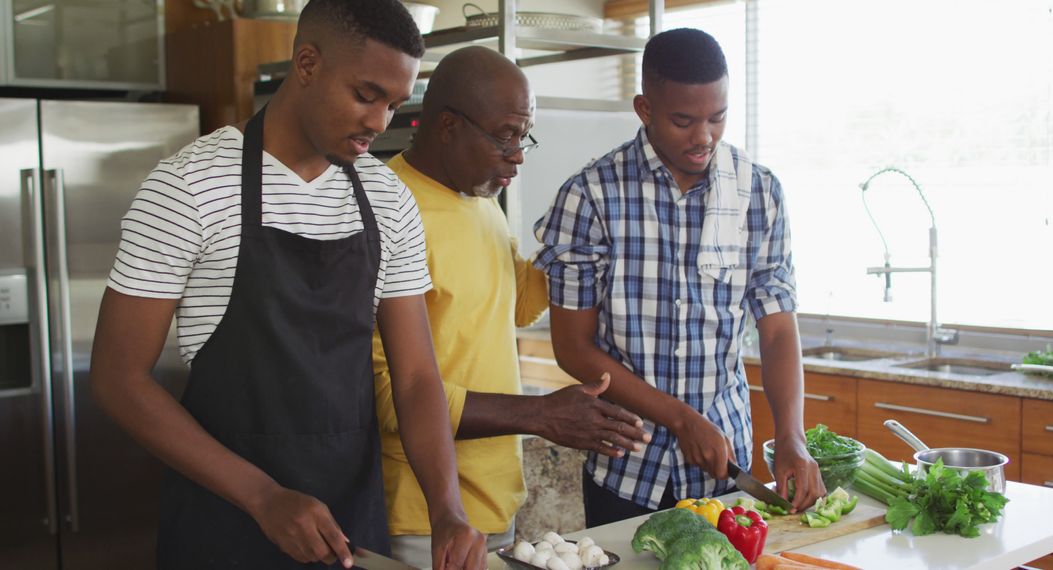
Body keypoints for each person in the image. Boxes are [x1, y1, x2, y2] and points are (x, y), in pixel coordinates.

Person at [88, 1, 487, 568]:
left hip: (352, 531)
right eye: (366, 95)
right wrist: (263, 497)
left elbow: (418, 375)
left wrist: (447, 509)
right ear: (306, 63)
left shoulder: (387, 198)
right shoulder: (188, 187)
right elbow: (116, 378)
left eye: (395, 104)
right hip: (222, 526)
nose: (379, 122)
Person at [533, 28, 826, 528]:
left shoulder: (759, 191)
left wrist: (791, 437)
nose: (704, 137)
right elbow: (574, 349)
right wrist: (679, 418)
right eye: (684, 121)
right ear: (644, 109)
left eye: (718, 117)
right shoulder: (591, 197)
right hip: (626, 467)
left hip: (727, 470)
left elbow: (776, 329)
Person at [371, 45, 650, 567]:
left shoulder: (480, 200)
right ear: (448, 126)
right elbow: (389, 394)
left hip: (497, 499)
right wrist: (541, 414)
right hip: (424, 514)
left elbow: (519, 303)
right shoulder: (389, 208)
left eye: (524, 137)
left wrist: (583, 230)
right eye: (505, 136)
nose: (518, 154)